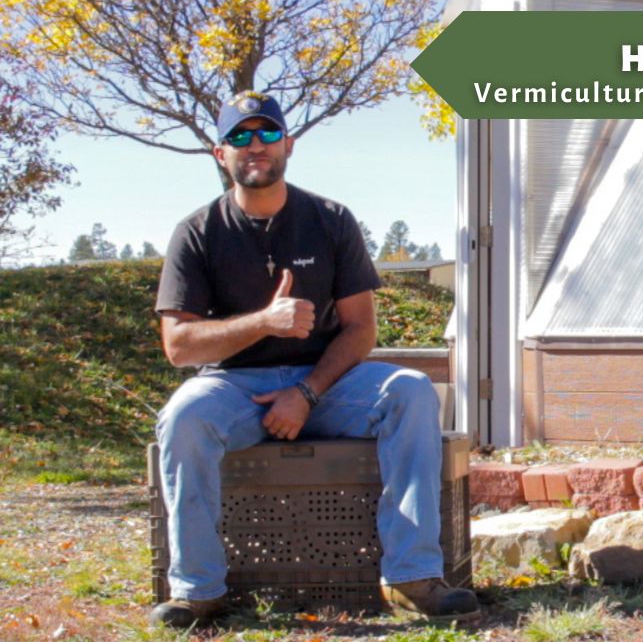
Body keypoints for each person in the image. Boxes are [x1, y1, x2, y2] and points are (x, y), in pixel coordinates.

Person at [149, 91, 479, 628]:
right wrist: (264, 321)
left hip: (327, 382)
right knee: (184, 418)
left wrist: (305, 394)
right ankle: (198, 590)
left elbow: (360, 328)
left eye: (267, 133)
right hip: (235, 388)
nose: (255, 145)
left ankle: (413, 577)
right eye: (240, 136)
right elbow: (179, 346)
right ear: (220, 153)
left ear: (289, 144)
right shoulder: (198, 231)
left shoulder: (330, 219)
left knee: (412, 390)